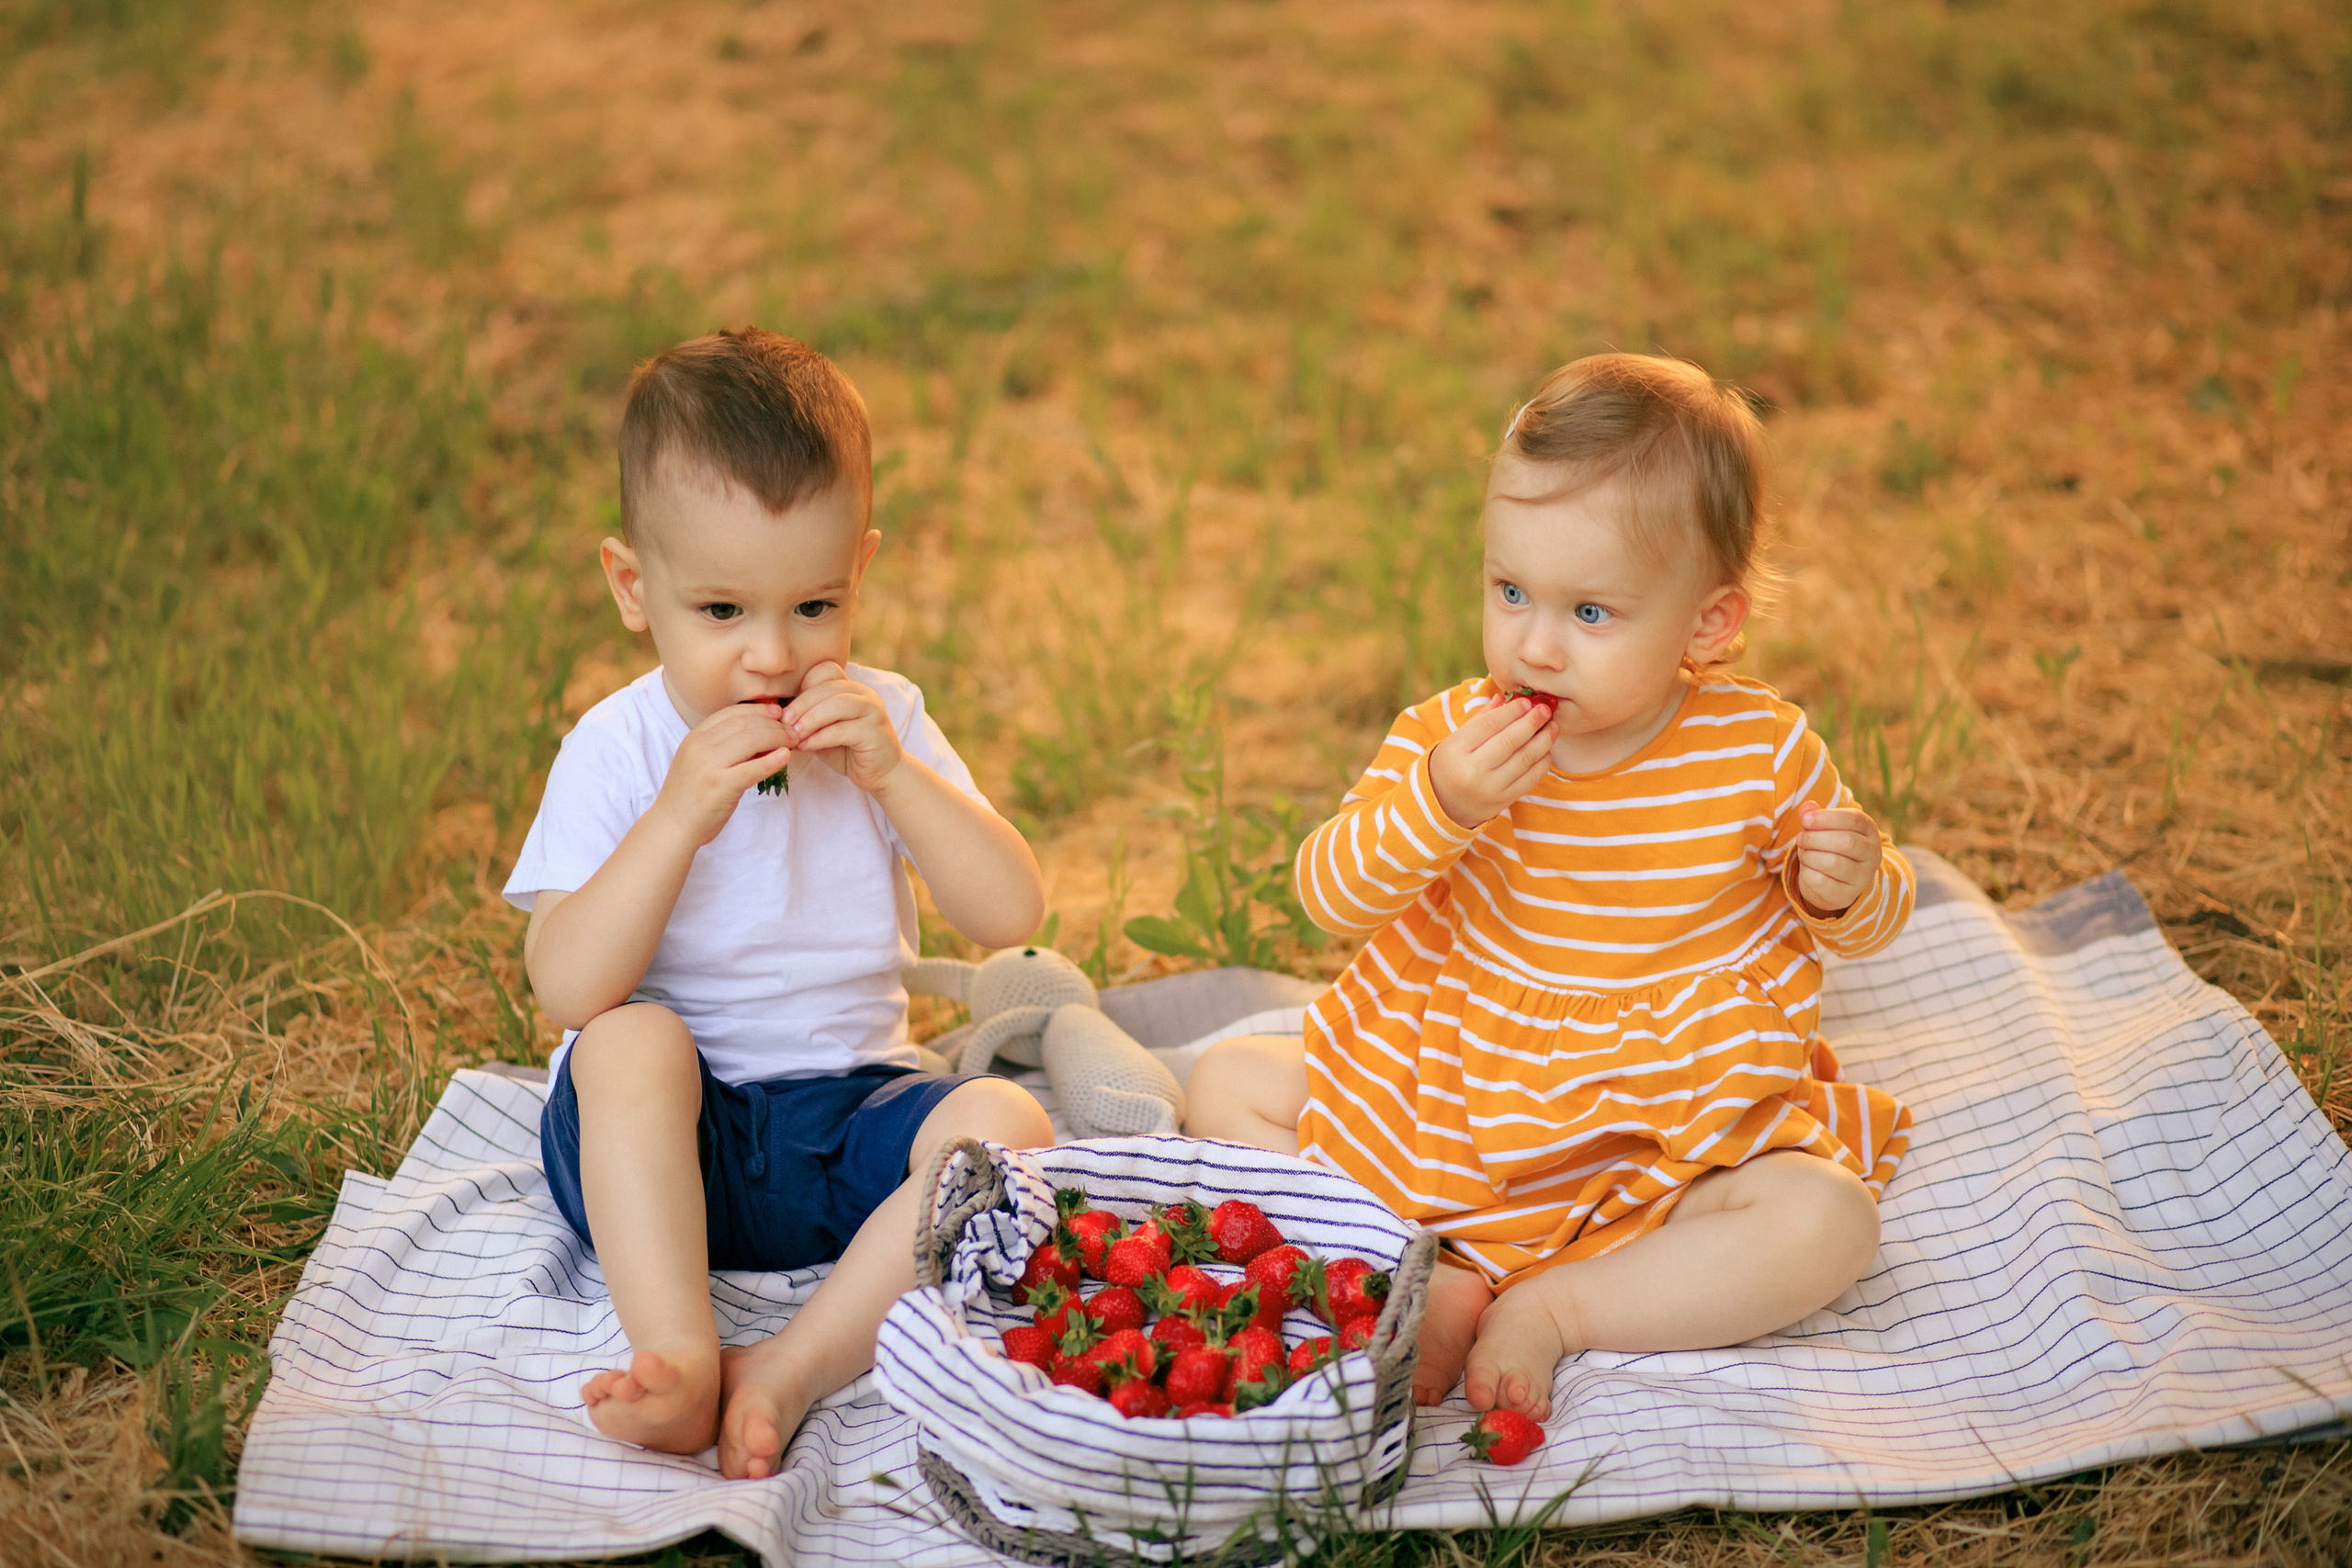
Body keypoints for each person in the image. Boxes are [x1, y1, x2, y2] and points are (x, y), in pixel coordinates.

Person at [1185, 353, 1915, 1420]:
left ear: (1706, 624)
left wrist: (1850, 883)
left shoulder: (1755, 751)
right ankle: (1418, 1269)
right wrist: (1438, 804)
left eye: (1590, 614)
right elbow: (1328, 895)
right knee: (1226, 1086)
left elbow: (1868, 923)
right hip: (1454, 1092)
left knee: (1827, 1219)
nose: (1534, 645)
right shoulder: (1453, 737)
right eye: (1511, 590)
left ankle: (1559, 1306)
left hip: (1654, 1133)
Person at [503, 328, 1050, 1480]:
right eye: (720, 614)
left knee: (1005, 1125)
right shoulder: (616, 749)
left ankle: (793, 1365)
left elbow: (1009, 914)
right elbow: (564, 985)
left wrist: (896, 775)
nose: (770, 656)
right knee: (631, 1038)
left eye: (813, 606)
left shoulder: (882, 716)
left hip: (839, 1124)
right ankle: (679, 1356)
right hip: (658, 1145)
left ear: (860, 569)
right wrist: (674, 821)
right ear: (630, 588)